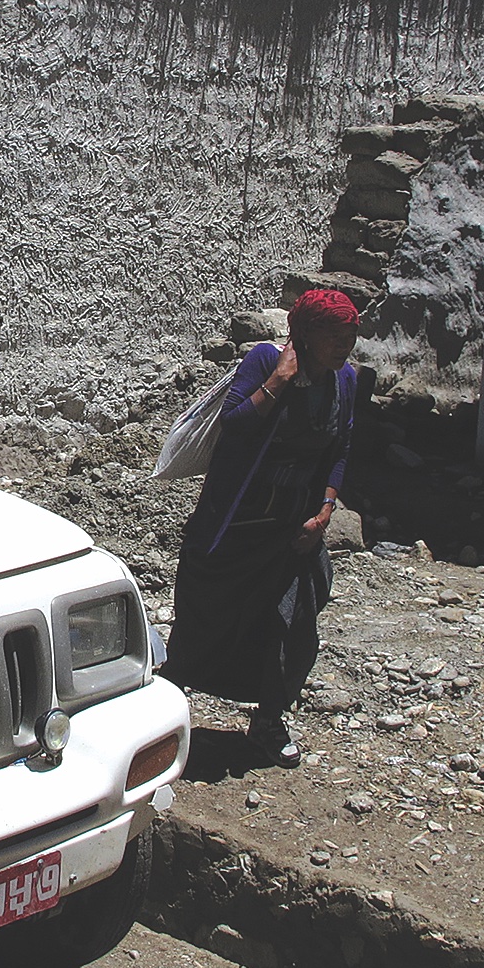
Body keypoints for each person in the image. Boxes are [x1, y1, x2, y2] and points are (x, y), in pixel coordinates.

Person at [167, 288, 360, 769]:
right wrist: (278, 382)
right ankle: (162, 718)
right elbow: (233, 427)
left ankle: (270, 720)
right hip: (234, 526)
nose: (345, 346)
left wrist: (325, 511)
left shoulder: (346, 382)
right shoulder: (264, 361)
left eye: (351, 336)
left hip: (293, 533)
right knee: (203, 622)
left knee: (294, 626)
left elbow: (340, 450)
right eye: (335, 336)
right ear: (307, 334)